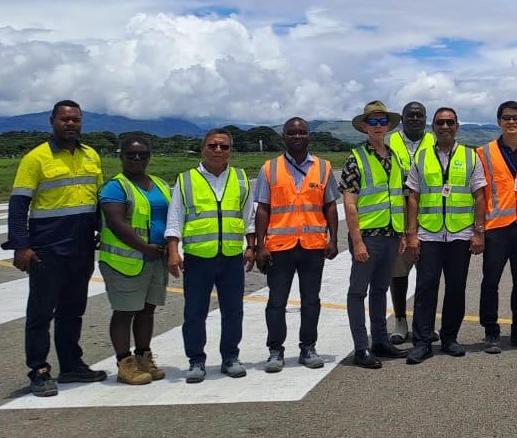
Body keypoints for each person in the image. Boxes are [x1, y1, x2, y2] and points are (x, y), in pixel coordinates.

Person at [3, 100, 107, 397]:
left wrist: (100, 229)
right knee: (40, 312)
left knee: (73, 310)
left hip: (82, 246)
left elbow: (97, 198)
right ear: (52, 121)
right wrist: (20, 246)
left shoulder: (91, 155)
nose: (70, 124)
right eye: (64, 119)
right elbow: (19, 204)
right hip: (48, 248)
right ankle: (39, 370)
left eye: (75, 119)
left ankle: (71, 364)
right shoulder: (36, 158)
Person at [166, 129, 256, 382]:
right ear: (203, 148)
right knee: (195, 311)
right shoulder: (185, 180)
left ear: (231, 151)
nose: (218, 150)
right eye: (213, 145)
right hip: (198, 257)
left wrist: (251, 246)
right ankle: (196, 360)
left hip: (230, 257)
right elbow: (175, 219)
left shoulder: (240, 179)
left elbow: (248, 216)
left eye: (224, 147)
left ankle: (230, 357)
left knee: (233, 310)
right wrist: (174, 251)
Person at [253, 118, 340, 373]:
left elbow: (330, 205)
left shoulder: (323, 168)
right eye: (292, 132)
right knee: (276, 301)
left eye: (302, 132)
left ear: (309, 136)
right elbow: (263, 209)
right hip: (280, 246)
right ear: (284, 136)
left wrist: (333, 238)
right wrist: (260, 246)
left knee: (311, 300)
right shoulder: (269, 169)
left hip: (313, 245)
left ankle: (308, 347)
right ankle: (275, 350)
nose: (297, 136)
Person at [404, 107, 487, 364]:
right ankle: (422, 341)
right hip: (429, 234)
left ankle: (450, 338)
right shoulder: (422, 157)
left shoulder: (471, 157)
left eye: (450, 122)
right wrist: (411, 234)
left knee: (455, 289)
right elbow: (413, 197)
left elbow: (480, 196)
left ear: (457, 126)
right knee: (425, 288)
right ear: (433, 127)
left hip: (460, 234)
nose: (445, 126)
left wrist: (478, 232)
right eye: (440, 122)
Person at [341, 101, 412, 369]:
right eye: (373, 122)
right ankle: (361, 347)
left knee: (381, 289)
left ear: (389, 126)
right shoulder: (355, 158)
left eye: (383, 122)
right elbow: (350, 203)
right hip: (368, 235)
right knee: (358, 291)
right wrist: (357, 240)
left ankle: (380, 340)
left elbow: (401, 197)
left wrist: (404, 232)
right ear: (364, 126)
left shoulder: (394, 156)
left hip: (391, 234)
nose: (379, 126)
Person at [98, 135, 171, 385]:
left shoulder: (160, 184)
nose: (137, 158)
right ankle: (124, 362)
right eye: (131, 154)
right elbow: (116, 223)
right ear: (121, 157)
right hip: (125, 261)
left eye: (143, 154)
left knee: (147, 310)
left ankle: (143, 356)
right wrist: (144, 247)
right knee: (125, 311)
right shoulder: (115, 187)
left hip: (155, 259)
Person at [475, 101, 517, 354]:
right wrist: (479, 230)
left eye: (516, 117)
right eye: (506, 118)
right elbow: (479, 193)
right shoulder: (484, 153)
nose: (511, 122)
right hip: (496, 227)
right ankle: (491, 332)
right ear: (498, 121)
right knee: (490, 281)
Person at [386, 101, 434, 344]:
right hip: (399, 213)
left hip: (429, 214)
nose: (415, 119)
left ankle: (424, 322)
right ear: (402, 118)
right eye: (410, 115)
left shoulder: (434, 141)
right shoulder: (389, 141)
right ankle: (400, 320)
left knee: (427, 273)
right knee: (399, 270)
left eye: (420, 115)